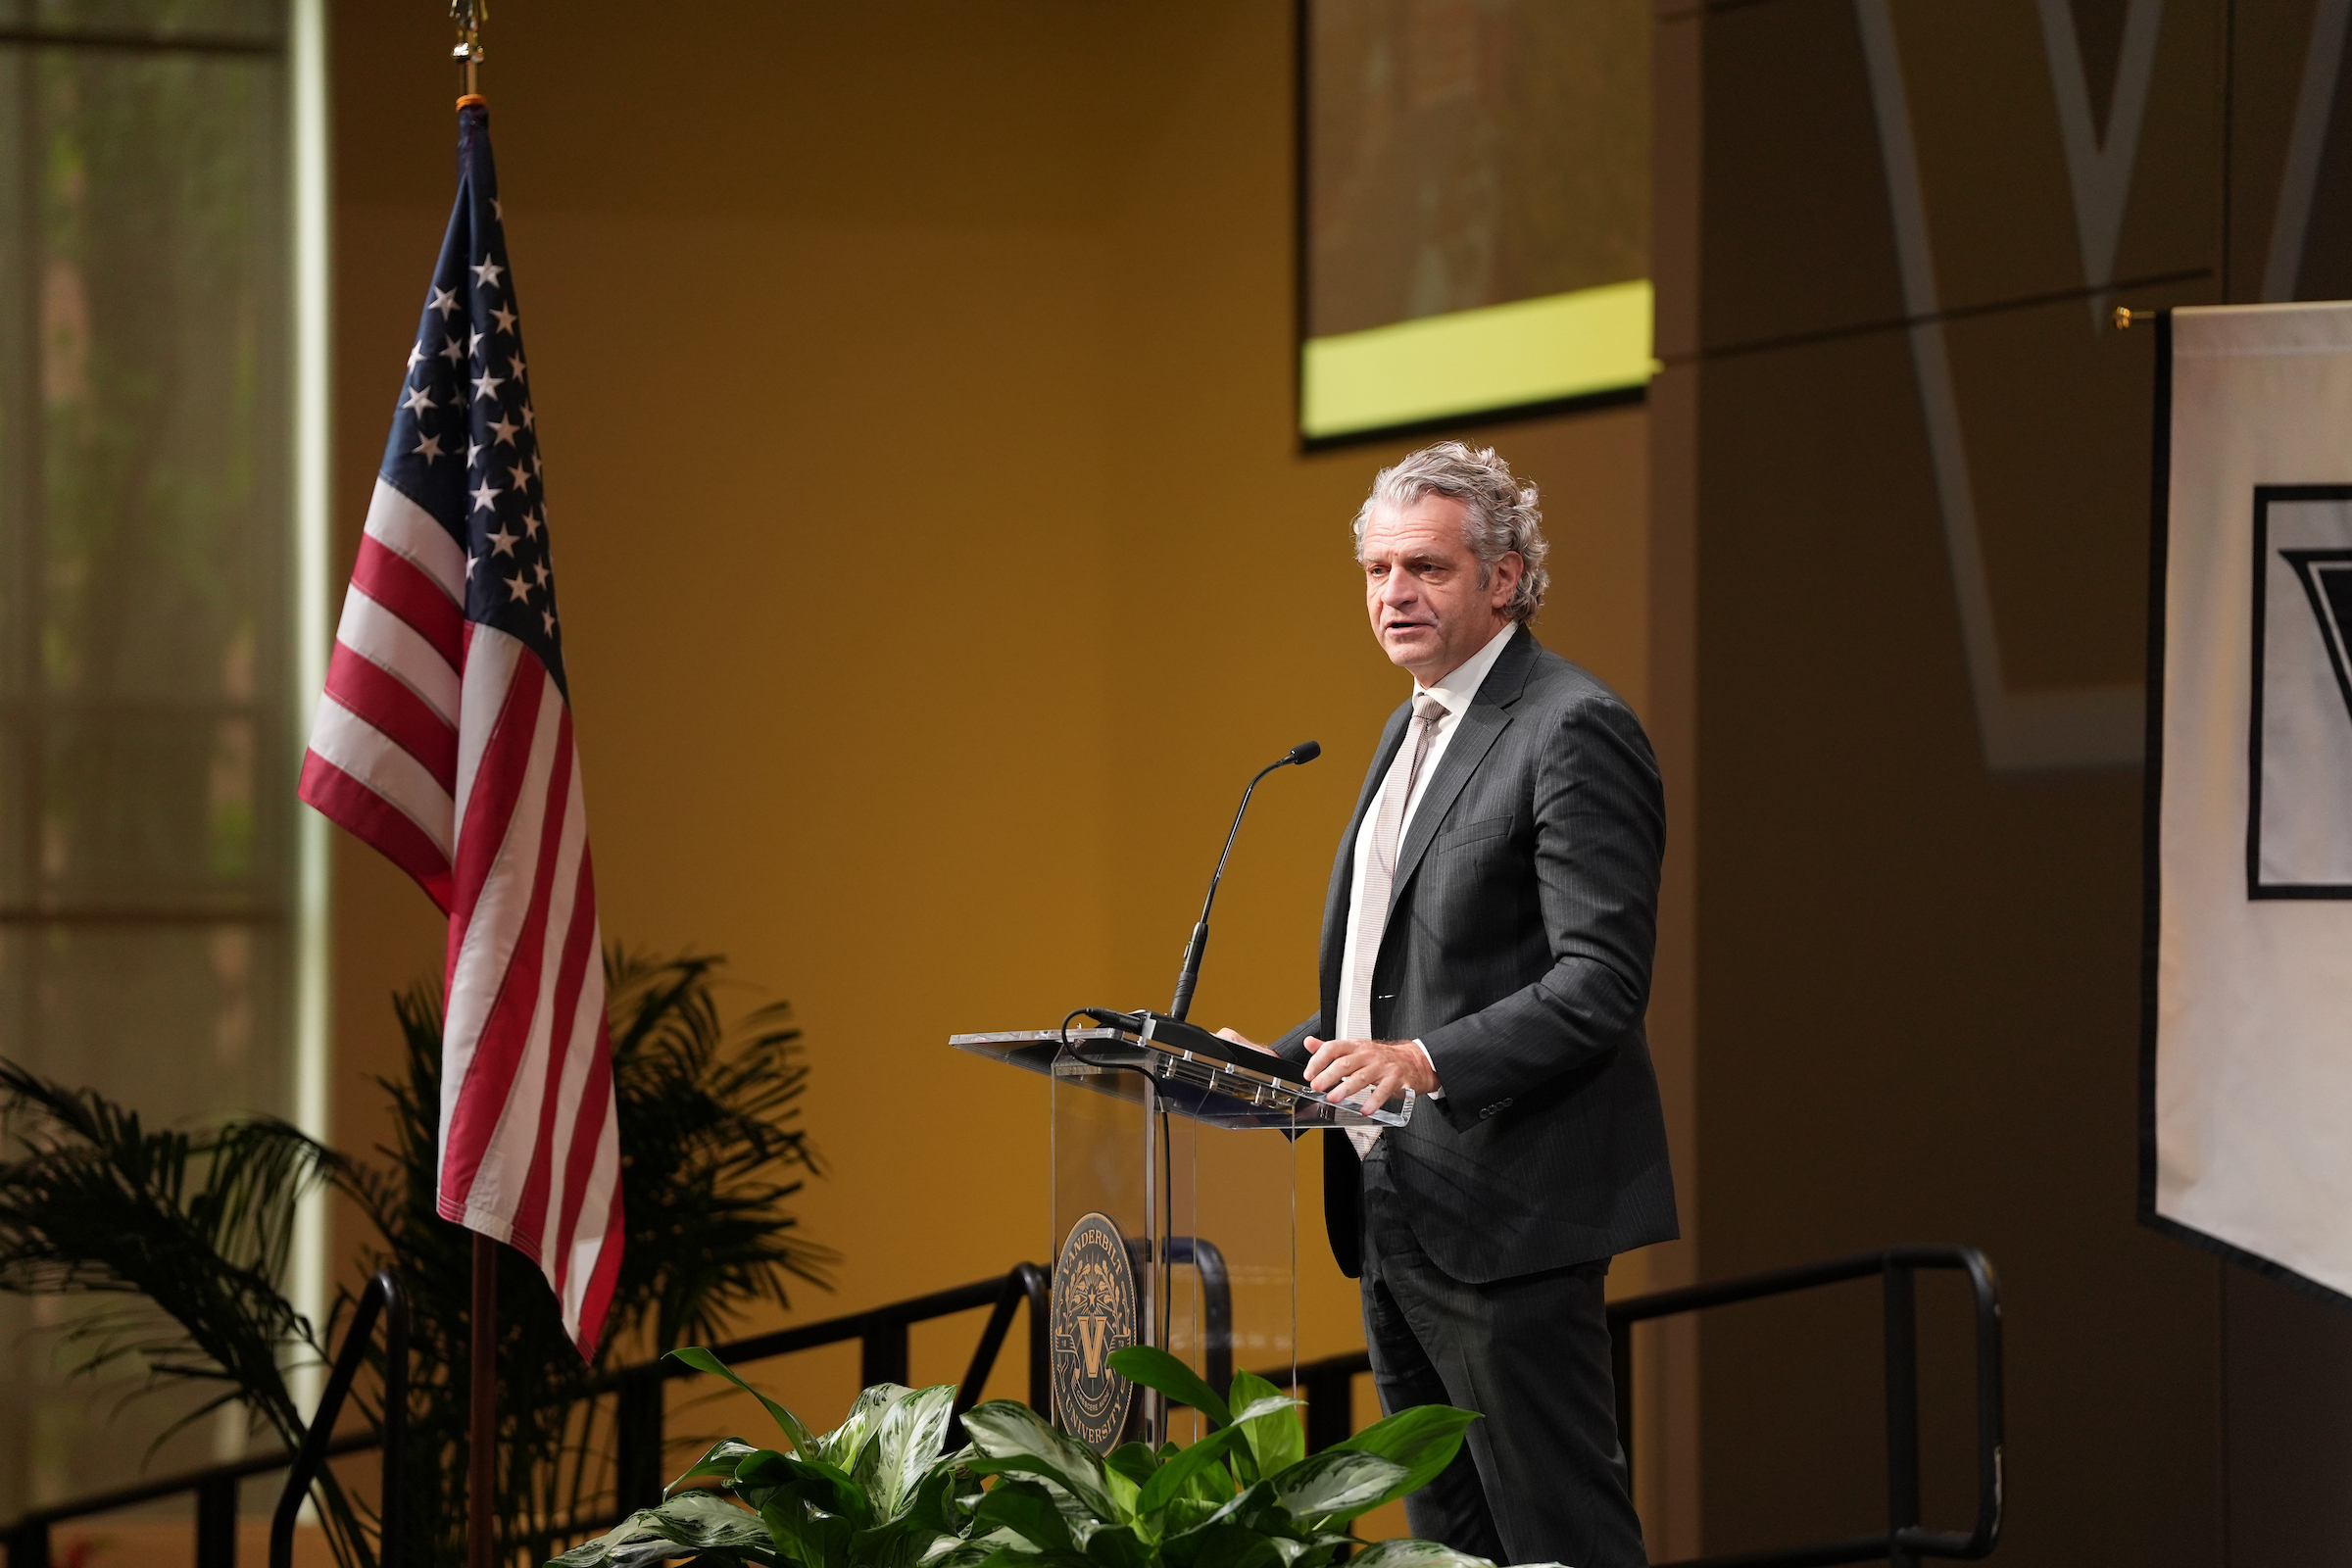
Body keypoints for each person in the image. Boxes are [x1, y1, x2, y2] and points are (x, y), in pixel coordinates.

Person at [1219, 442, 1674, 1568]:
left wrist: (1423, 1061)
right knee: (1448, 1552)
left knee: (1560, 1542)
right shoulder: (1410, 724)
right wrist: (1269, 1069)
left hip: (1508, 1214)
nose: (1394, 594)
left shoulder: (1570, 725)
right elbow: (1389, 982)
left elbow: (1601, 981)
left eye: (1425, 567)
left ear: (1505, 576)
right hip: (1392, 1205)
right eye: (1377, 571)